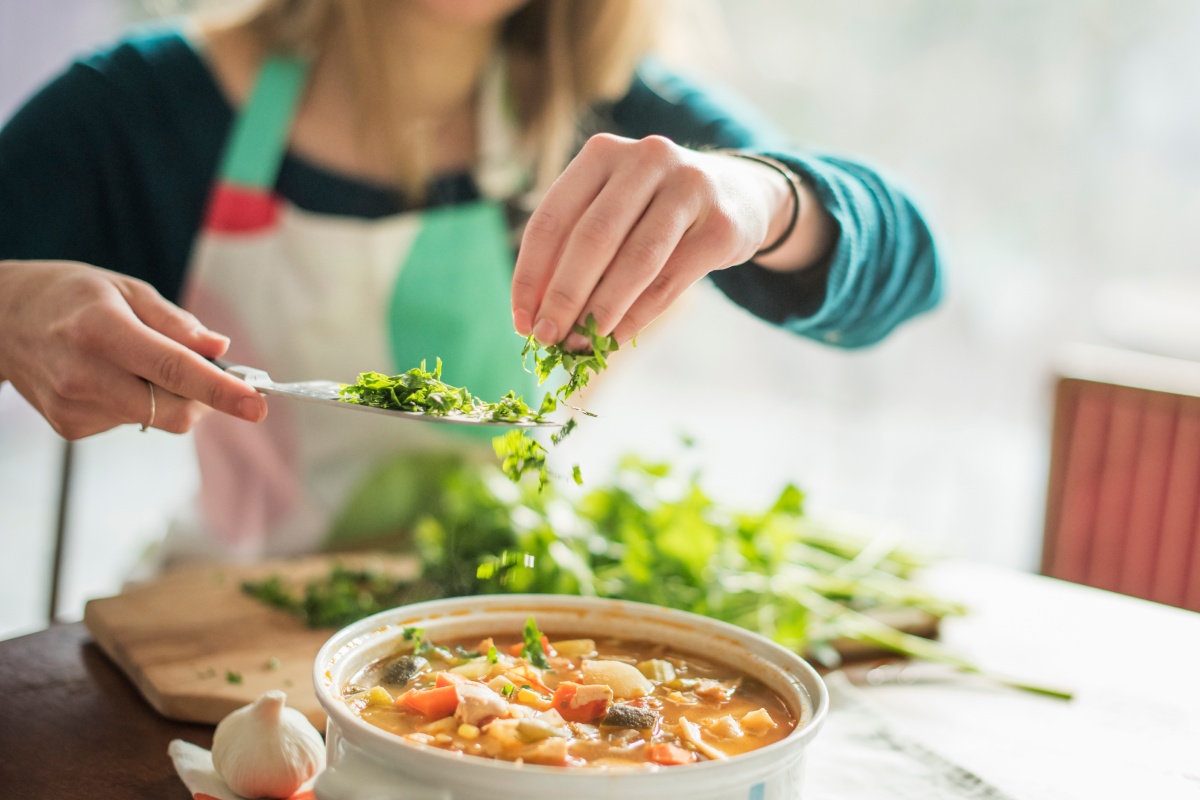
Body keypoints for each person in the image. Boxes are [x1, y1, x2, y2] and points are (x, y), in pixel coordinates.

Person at [0, 0, 940, 563]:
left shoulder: (620, 106)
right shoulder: (145, 109)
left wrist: (767, 196)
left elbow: (914, 268)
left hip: (511, 652)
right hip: (222, 643)